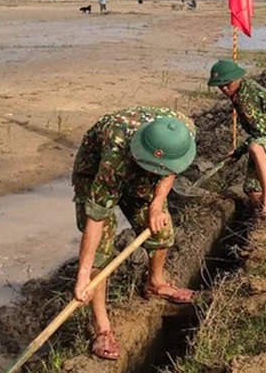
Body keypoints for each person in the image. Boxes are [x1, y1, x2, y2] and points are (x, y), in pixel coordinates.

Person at [71, 107, 198, 360]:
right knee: (100, 253)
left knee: (161, 233)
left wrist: (156, 204)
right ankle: (101, 327)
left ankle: (155, 283)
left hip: (146, 164)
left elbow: (171, 169)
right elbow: (96, 217)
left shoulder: (183, 132)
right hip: (95, 170)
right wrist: (83, 275)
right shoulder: (114, 160)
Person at [208, 60, 266, 215]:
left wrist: (241, 150)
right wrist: (238, 152)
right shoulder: (237, 93)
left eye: (227, 84)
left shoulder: (246, 96)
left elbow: (262, 134)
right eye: (220, 85)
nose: (223, 88)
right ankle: (263, 216)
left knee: (255, 147)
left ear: (236, 79)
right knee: (251, 189)